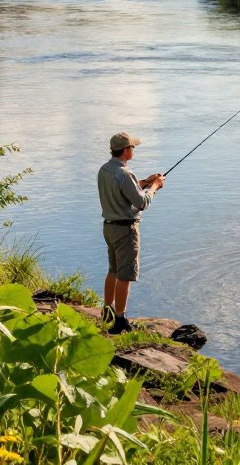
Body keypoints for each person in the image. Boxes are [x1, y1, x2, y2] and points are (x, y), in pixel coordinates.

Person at [97, 130, 165, 335]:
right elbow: (142, 202)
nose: (133, 150)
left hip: (109, 227)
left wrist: (144, 182)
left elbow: (125, 190)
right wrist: (154, 187)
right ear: (126, 150)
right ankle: (120, 320)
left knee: (113, 270)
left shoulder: (105, 170)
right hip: (125, 230)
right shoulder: (125, 173)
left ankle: (107, 311)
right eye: (132, 147)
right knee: (125, 275)